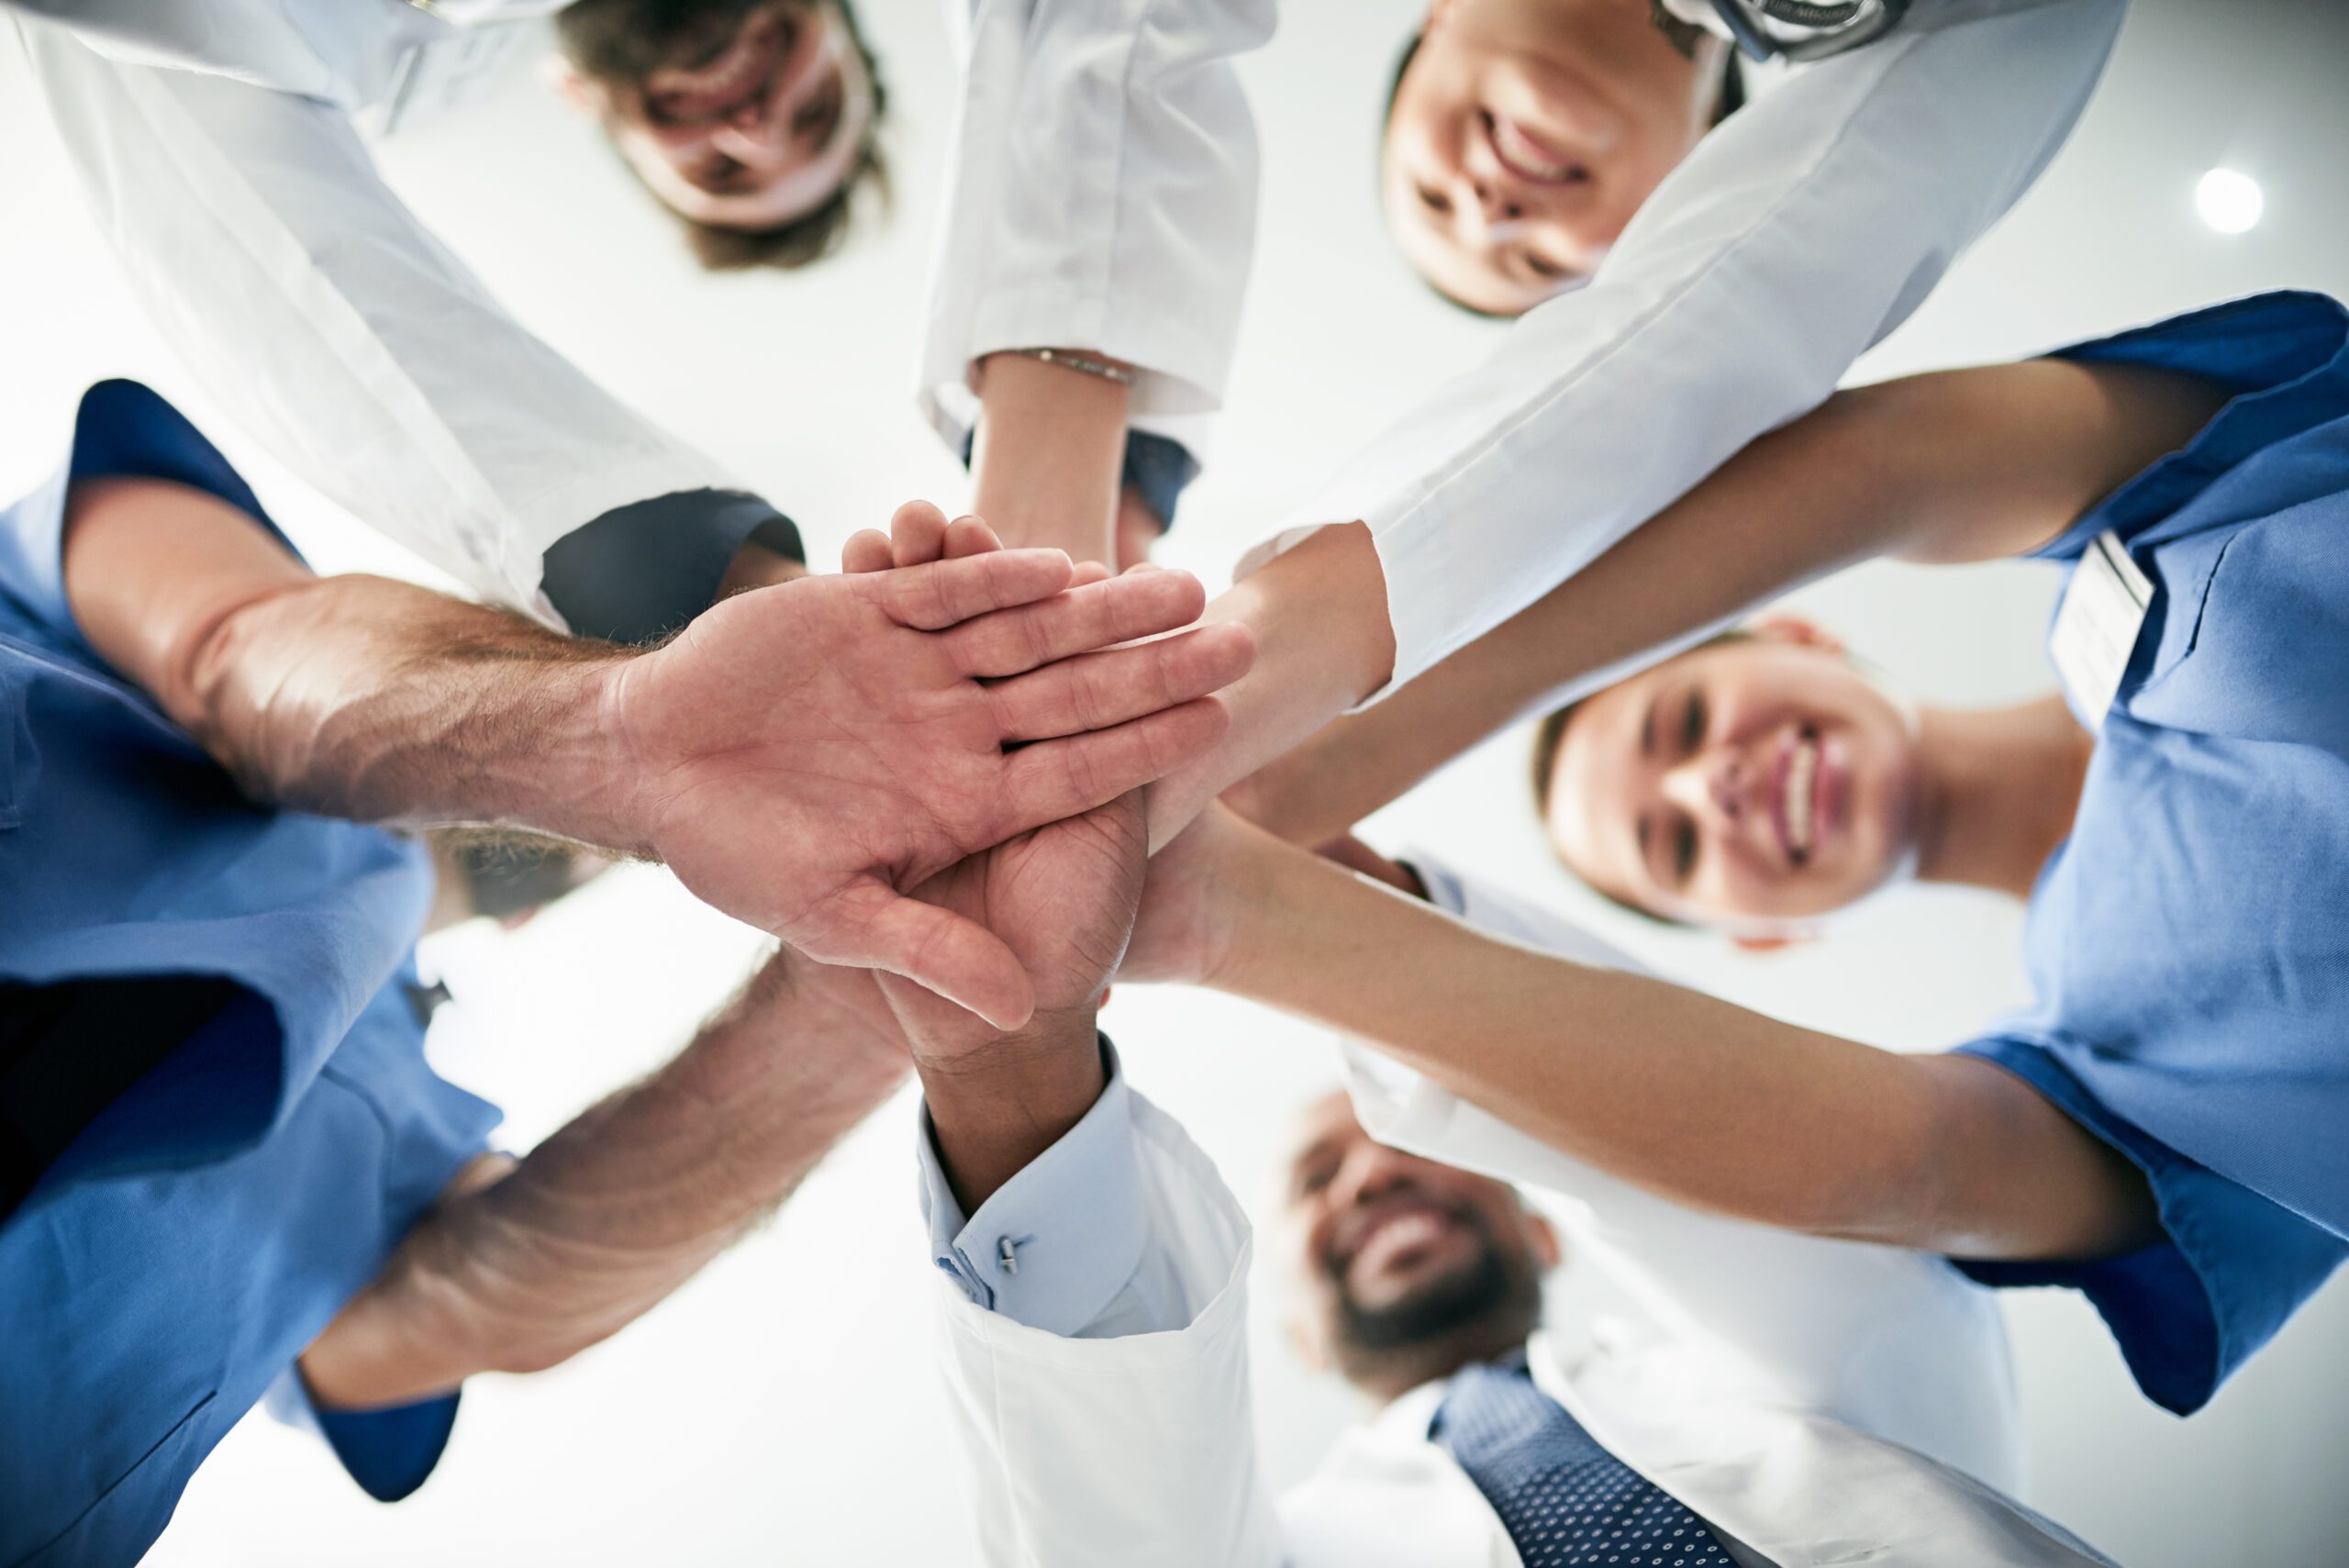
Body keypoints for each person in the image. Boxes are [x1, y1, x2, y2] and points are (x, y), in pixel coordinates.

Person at [0, 378, 1248, 1565]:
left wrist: (893, 988)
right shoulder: (104, 611)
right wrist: (604, 738)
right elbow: (243, 646)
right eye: (510, 652)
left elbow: (459, 1311)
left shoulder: (396, 1112)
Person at [1133, 288, 2349, 1417]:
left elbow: (1883, 463)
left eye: (1687, 720)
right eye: (1675, 846)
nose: (1711, 786)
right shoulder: (2112, 1081)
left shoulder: (2187, 499)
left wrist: (1324, 756)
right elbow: (1904, 1166)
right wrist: (1239, 914)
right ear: (1761, 930)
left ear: (1802, 634)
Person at [769, 545, 2113, 1562]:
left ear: (1550, 1224)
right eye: (1313, 1183)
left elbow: (1821, 1221)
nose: (1369, 1185)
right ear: (1284, 1320)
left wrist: (1345, 917)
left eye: (1405, 1145)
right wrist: (1004, 1050)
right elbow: (1118, 1522)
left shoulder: (1822, 1396)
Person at [914, 0, 2126, 800]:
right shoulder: (1950, 45)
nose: (1493, 213)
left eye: (1434, 199)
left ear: (1435, 24)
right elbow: (1768, 282)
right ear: (1691, 187)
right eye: (1544, 267)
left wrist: (1070, 473)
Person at [6, 0, 887, 644]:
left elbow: (250, 233)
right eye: (817, 113)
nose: (757, 130)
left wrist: (719, 597)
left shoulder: (324, 34)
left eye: (722, 172)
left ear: (579, 94)